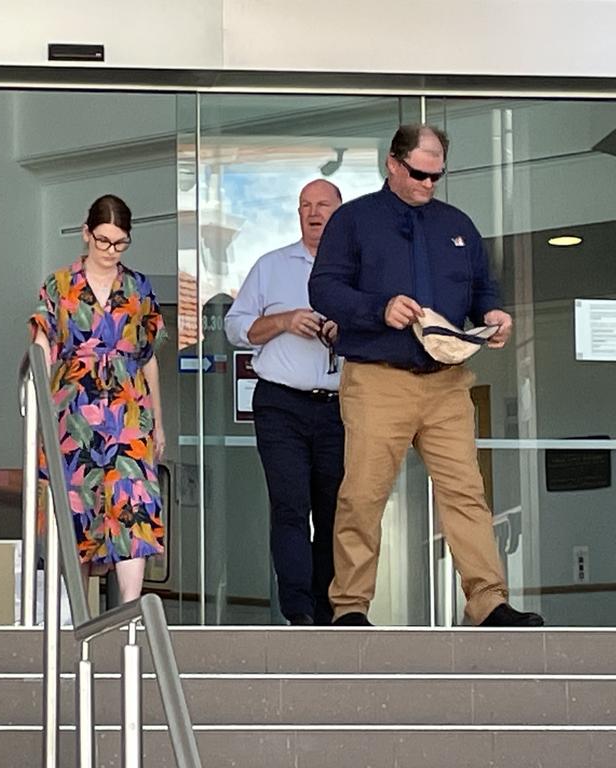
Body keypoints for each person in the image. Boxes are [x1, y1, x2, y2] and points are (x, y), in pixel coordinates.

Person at [309, 124, 544, 627]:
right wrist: (379, 308)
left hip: (447, 379)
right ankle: (350, 606)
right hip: (377, 378)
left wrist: (494, 314)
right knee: (363, 494)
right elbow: (324, 289)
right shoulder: (353, 220)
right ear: (393, 164)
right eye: (418, 173)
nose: (427, 183)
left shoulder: (456, 223)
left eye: (437, 175)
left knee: (466, 492)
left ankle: (488, 603)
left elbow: (483, 286)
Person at [31, 194, 167, 604]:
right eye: (103, 240)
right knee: (78, 511)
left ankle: (130, 612)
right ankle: (78, 615)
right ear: (86, 233)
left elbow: (148, 358)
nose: (110, 251)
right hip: (73, 412)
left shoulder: (138, 286)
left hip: (128, 410)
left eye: (120, 243)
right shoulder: (59, 284)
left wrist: (159, 422)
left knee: (134, 506)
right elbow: (40, 344)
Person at [224, 179, 344, 626]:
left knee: (335, 509)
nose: (313, 213)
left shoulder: (358, 269)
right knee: (291, 506)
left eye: (323, 206)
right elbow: (235, 329)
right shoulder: (271, 266)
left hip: (339, 406)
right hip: (280, 405)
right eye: (305, 206)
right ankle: (299, 612)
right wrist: (284, 321)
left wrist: (342, 332)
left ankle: (331, 607)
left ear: (340, 212)